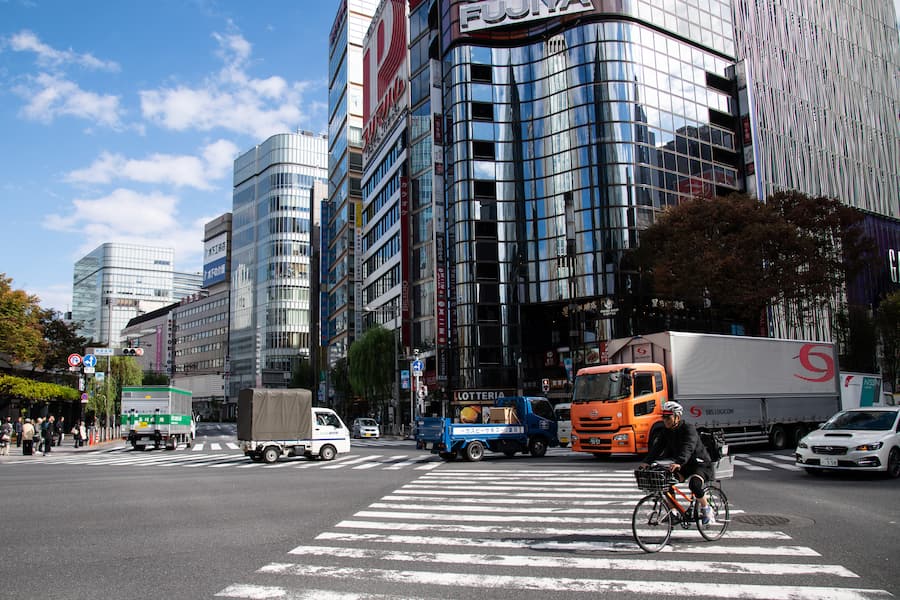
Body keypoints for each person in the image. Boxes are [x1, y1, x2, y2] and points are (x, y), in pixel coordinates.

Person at [638, 401, 716, 524]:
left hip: (700, 464)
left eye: (668, 417)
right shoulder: (666, 431)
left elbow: (688, 446)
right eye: (663, 417)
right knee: (665, 481)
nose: (665, 420)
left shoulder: (688, 429)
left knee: (694, 485)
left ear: (677, 417)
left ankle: (707, 508)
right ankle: (673, 513)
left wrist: (679, 461)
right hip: (684, 465)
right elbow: (657, 448)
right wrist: (647, 461)